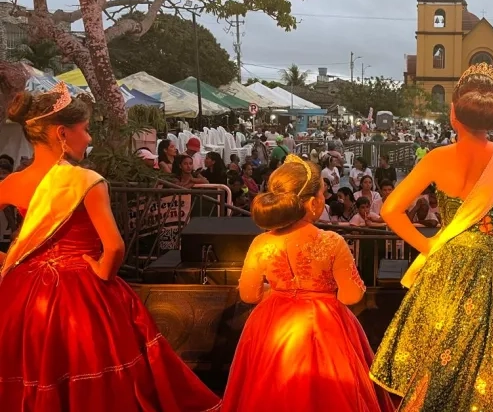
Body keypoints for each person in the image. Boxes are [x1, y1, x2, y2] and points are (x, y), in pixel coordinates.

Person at [0, 68, 221, 410]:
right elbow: (115, 246)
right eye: (85, 130)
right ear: (62, 133)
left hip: (22, 295)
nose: (89, 139)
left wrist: (8, 262)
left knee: (32, 370)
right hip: (81, 291)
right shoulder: (88, 180)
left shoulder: (10, 184)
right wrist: (101, 277)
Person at [370, 63, 493, 411]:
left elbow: (390, 210)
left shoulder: (436, 158)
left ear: (454, 113)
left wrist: (429, 245)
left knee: (444, 346)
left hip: (450, 261)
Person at [224, 155, 393, 412]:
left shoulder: (262, 242)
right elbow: (351, 296)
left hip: (271, 325)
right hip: (324, 324)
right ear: (314, 202)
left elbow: (248, 294)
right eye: (324, 193)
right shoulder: (331, 241)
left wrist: (281, 291)